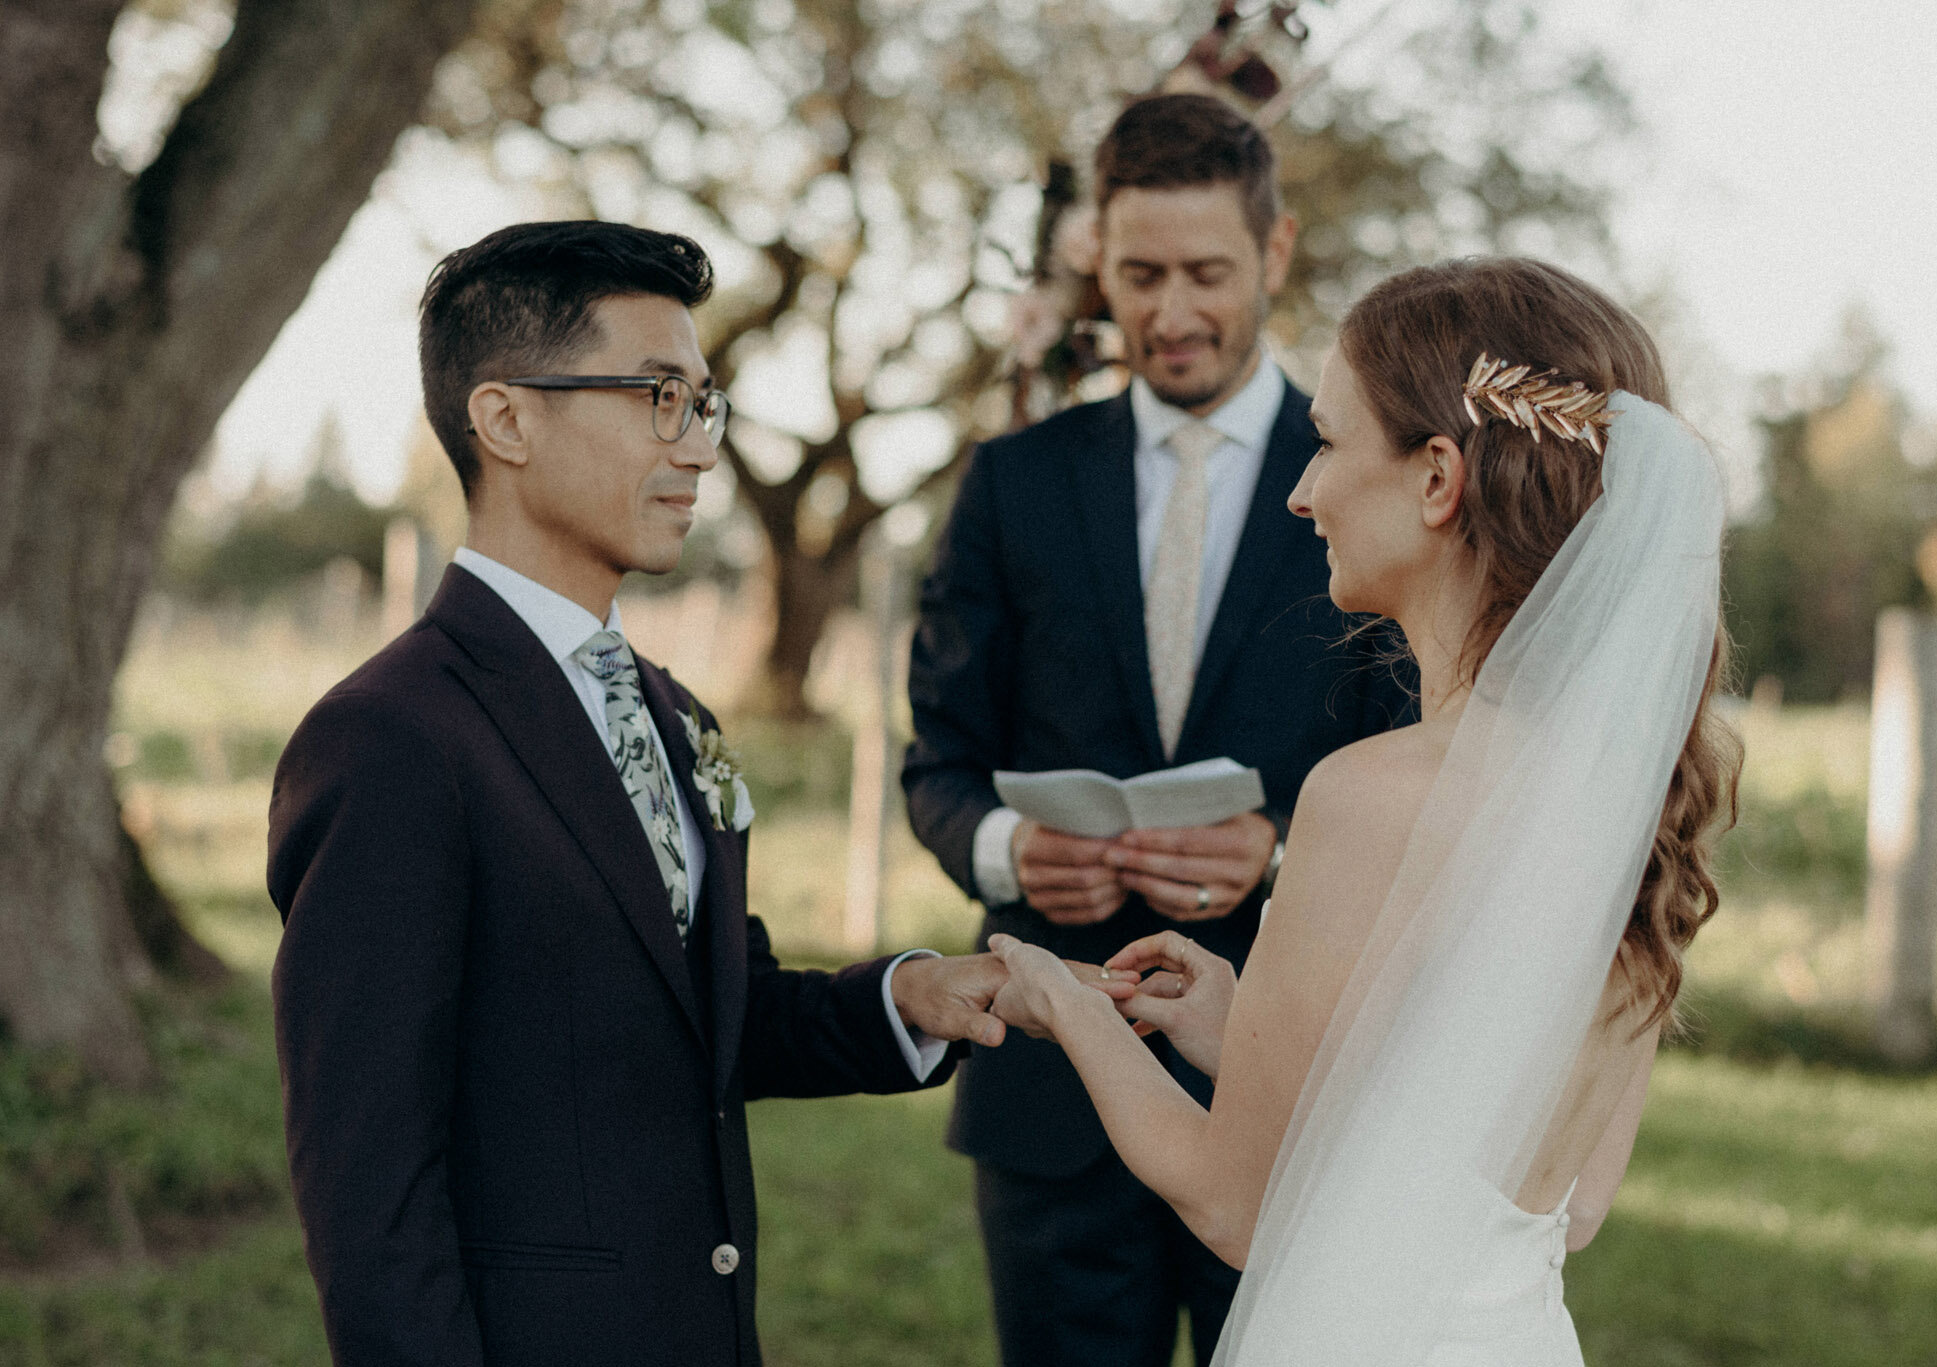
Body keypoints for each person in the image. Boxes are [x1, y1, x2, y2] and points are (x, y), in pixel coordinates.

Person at [267, 221, 1050, 1367]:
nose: (696, 447)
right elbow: (367, 1188)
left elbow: (705, 1021)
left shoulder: (676, 716)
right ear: (506, 418)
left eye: (703, 402)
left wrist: (912, 993)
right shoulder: (389, 737)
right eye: (655, 395)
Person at [985, 256, 1741, 1366]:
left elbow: (1235, 1208)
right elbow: (1565, 1198)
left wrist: (1065, 999)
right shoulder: (1624, 802)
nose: (1300, 490)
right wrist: (1245, 1034)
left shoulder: (1366, 794)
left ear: (1436, 477)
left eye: (1329, 442)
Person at [901, 92, 1415, 1367]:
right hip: (1048, 1089)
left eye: (1205, 273)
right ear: (1097, 267)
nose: (1170, 312)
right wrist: (1009, 851)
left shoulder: (1370, 476)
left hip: (1286, 1077)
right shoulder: (1013, 481)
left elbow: (1420, 763)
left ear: (1275, 254)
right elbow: (936, 763)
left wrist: (1285, 852)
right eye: (1138, 276)